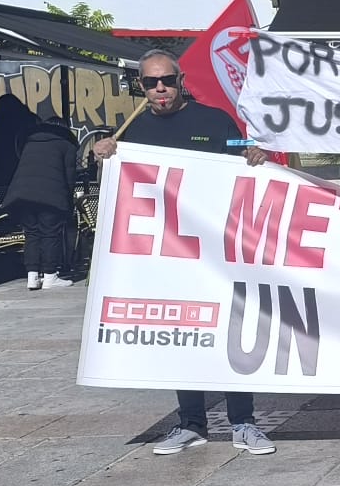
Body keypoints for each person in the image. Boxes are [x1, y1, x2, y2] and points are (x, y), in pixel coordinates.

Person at [91, 49, 276, 457]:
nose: (159, 88)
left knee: (230, 334)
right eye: (150, 82)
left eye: (167, 80)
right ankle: (190, 423)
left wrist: (253, 154)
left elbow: (243, 150)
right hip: (167, 257)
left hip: (218, 251)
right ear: (139, 86)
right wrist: (102, 155)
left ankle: (243, 422)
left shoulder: (213, 121)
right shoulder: (130, 134)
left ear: (181, 80)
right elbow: (112, 185)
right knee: (183, 336)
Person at [3, 111, 76, 290]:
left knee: (32, 233)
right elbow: (70, 176)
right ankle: (50, 276)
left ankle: (32, 276)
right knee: (50, 232)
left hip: (22, 194)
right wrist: (68, 200)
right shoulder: (66, 144)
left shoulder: (30, 141)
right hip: (50, 195)